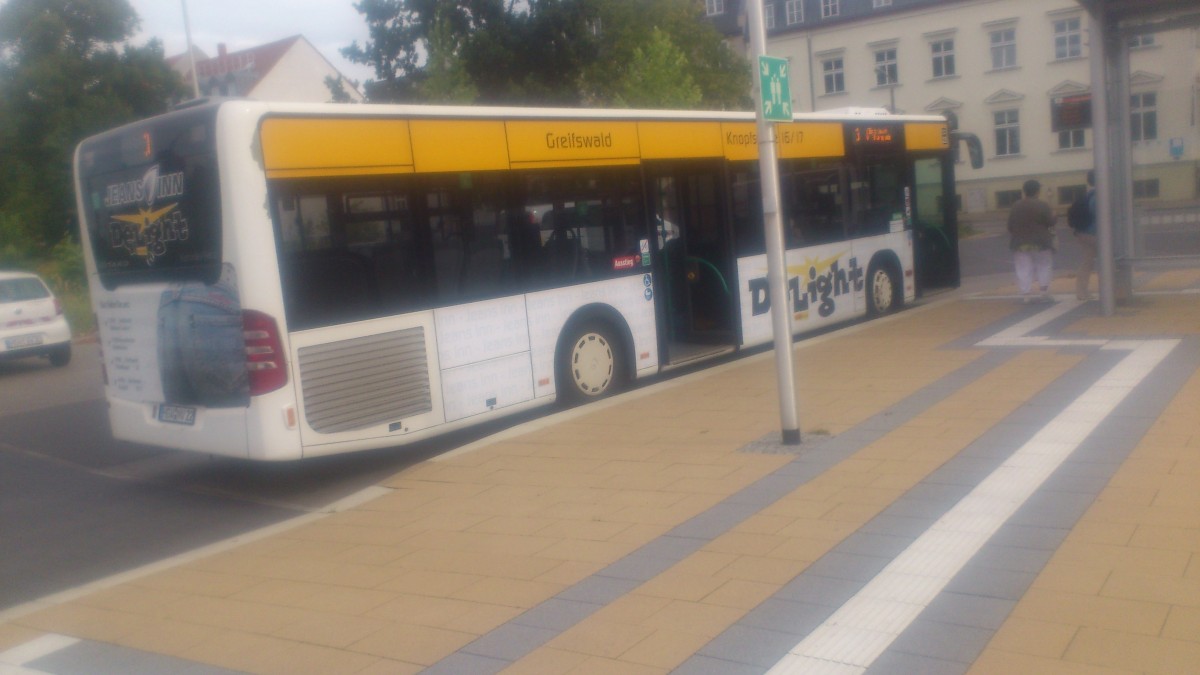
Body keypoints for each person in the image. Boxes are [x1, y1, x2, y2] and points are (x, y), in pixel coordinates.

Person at [1006, 179, 1057, 303]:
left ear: (1025, 191)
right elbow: (1050, 222)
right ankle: (1044, 292)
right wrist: (1055, 215)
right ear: (1037, 191)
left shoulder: (1016, 206)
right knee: (1044, 265)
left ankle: (1026, 294)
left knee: (1023, 267)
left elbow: (1010, 226)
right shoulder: (1042, 205)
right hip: (1041, 242)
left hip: (1020, 243)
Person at [1073, 170, 1098, 300]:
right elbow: (1098, 214)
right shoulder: (1098, 195)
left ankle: (1082, 291)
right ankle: (1113, 289)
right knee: (1109, 261)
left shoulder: (1088, 194)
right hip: (1094, 233)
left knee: (1087, 262)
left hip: (1083, 232)